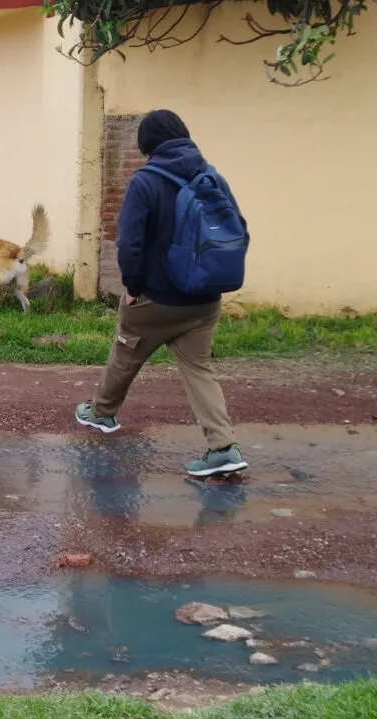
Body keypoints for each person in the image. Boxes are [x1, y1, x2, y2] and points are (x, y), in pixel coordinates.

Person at [75, 109, 249, 478]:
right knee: (199, 370)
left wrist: (133, 289)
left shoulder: (146, 182)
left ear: (146, 145)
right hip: (204, 299)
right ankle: (223, 447)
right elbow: (240, 230)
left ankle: (102, 413)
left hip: (157, 298)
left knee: (126, 351)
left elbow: (129, 246)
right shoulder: (211, 175)